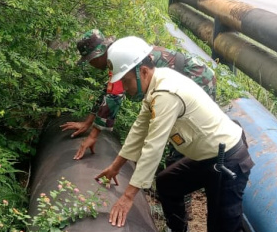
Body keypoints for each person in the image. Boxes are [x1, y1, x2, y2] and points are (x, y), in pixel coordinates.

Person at [95, 36, 254, 232]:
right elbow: (139, 131)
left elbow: (153, 146)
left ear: (142, 70)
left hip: (226, 160)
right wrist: (115, 166)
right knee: (168, 183)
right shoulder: (155, 86)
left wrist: (129, 196)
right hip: (206, 156)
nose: (125, 88)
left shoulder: (166, 93)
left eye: (127, 81)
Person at [62, 29, 217, 160]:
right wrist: (87, 123)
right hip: (188, 76)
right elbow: (108, 91)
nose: (91, 64)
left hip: (196, 77)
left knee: (186, 133)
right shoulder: (117, 55)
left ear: (98, 54)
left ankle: (196, 171)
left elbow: (113, 98)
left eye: (90, 60)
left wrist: (93, 136)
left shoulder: (119, 57)